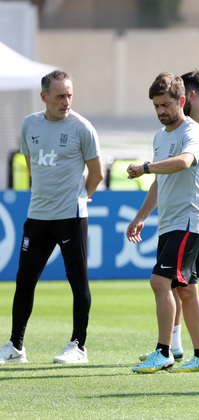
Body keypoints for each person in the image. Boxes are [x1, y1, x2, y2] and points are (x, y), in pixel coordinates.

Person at [0, 70, 104, 365]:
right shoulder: (29, 124)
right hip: (37, 216)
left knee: (77, 281)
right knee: (24, 280)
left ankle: (78, 346)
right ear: (44, 96)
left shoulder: (82, 128)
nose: (66, 101)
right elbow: (31, 164)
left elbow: (97, 173)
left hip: (71, 217)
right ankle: (16, 347)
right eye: (60, 96)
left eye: (70, 95)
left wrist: (82, 197)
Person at [126, 72, 199, 374]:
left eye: (165, 104)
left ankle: (164, 351)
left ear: (181, 101)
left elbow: (184, 162)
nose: (161, 111)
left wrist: (145, 167)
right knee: (185, 290)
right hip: (170, 223)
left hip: (189, 220)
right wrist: (141, 216)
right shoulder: (160, 137)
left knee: (159, 282)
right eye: (156, 106)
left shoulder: (194, 133)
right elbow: (160, 182)